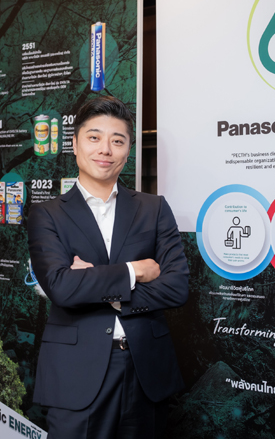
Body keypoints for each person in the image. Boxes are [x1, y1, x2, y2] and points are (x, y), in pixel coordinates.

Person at [27, 95, 189, 438]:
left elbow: (176, 287)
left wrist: (101, 288)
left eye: (117, 141)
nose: (105, 149)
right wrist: (134, 271)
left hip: (145, 371)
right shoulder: (47, 214)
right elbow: (62, 288)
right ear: (74, 144)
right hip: (76, 374)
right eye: (94, 137)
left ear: (128, 150)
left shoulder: (154, 209)